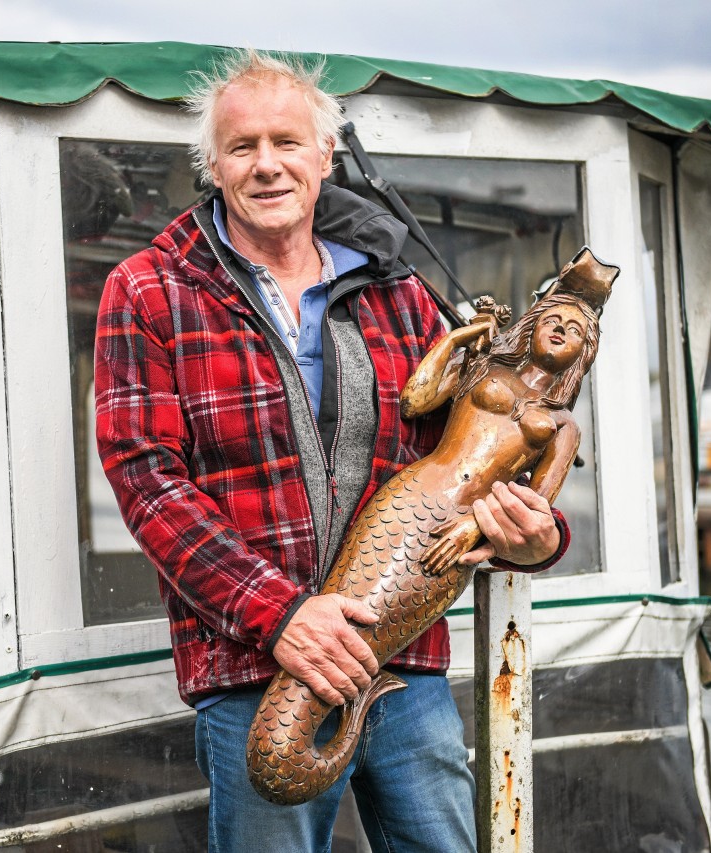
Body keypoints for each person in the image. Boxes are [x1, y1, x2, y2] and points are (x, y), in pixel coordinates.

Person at [94, 49, 568, 852]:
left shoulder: (399, 289)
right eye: (243, 147)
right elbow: (147, 481)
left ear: (325, 155)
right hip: (255, 668)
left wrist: (536, 533)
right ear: (212, 165)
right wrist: (280, 615)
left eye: (288, 142)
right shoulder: (150, 288)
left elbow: (468, 463)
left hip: (404, 661)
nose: (268, 165)